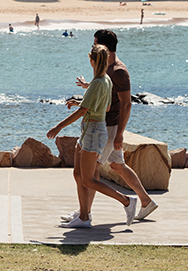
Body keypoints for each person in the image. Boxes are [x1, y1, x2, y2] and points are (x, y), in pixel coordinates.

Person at [65, 30, 157, 224]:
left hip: (107, 128)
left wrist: (120, 134)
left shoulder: (119, 71)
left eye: (94, 44)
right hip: (102, 125)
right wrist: (86, 89)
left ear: (104, 48)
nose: (92, 48)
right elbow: (104, 89)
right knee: (117, 165)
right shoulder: (106, 69)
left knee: (90, 173)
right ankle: (146, 201)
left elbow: (126, 103)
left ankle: (85, 214)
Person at [47, 44, 138, 228]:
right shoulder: (105, 81)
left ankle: (127, 201)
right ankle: (83, 216)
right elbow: (106, 107)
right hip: (91, 129)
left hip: (94, 132)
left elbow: (84, 111)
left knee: (89, 179)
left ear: (92, 61)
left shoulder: (98, 83)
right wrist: (82, 102)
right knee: (78, 174)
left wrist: (58, 127)